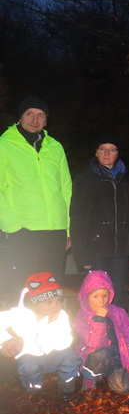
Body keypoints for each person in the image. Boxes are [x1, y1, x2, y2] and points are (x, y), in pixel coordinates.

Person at [0, 98, 72, 307]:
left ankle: (51, 328)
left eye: (41, 115)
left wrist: (68, 228)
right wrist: (12, 224)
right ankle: (23, 328)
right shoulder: (5, 144)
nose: (35, 119)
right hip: (23, 230)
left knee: (52, 290)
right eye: (29, 114)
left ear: (46, 121)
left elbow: (66, 189)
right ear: (20, 117)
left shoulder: (55, 147)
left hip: (55, 230)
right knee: (24, 289)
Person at [70, 133, 129, 311]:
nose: (107, 153)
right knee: (96, 298)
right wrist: (82, 255)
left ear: (118, 153)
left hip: (120, 250)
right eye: (102, 149)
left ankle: (114, 329)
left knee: (115, 297)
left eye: (112, 150)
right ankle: (95, 329)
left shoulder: (125, 180)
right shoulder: (84, 180)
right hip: (96, 249)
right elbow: (77, 218)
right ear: (96, 152)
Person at [0, 272, 82, 400]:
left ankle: (67, 386)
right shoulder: (19, 314)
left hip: (51, 357)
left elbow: (64, 344)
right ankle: (35, 391)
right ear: (34, 303)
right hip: (29, 359)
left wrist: (53, 323)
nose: (55, 306)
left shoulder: (61, 316)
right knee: (29, 366)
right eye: (48, 302)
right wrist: (4, 340)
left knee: (70, 355)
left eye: (58, 300)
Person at [73, 270, 129, 394]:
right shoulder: (82, 317)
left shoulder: (118, 312)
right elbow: (95, 344)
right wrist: (99, 320)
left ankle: (109, 373)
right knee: (101, 355)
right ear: (86, 296)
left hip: (117, 355)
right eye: (96, 296)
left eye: (105, 296)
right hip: (94, 356)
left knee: (125, 387)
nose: (101, 301)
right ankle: (90, 377)